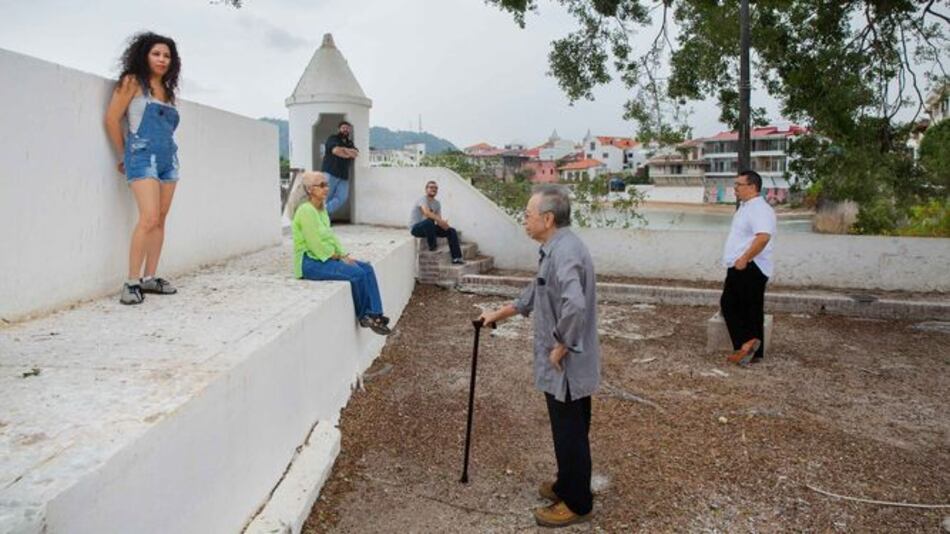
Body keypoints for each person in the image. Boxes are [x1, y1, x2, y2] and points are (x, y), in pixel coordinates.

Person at [478, 184, 600, 528]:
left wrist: (561, 344)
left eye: (528, 216)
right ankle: (567, 484)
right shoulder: (555, 248)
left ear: (548, 219)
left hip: (567, 364)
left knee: (570, 431)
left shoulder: (565, 252)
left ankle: (577, 503)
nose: (525, 221)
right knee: (571, 427)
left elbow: (574, 305)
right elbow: (535, 291)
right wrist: (498, 314)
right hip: (566, 362)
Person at [104, 32, 182, 305]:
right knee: (147, 218)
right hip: (141, 155)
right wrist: (123, 153)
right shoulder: (132, 82)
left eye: (167, 55)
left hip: (168, 160)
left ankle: (150, 278)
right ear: (144, 55)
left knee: (160, 219)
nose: (162, 59)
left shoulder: (168, 92)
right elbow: (112, 119)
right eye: (156, 54)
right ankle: (130, 281)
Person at [286, 171, 391, 336]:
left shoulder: (321, 209)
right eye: (321, 185)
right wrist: (337, 258)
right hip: (310, 263)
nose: (326, 188)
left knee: (367, 268)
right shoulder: (305, 211)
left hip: (326, 258)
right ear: (309, 189)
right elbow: (315, 243)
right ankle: (365, 316)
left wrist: (344, 254)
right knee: (356, 273)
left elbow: (330, 237)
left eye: (326, 184)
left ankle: (376, 314)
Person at [720, 169, 777, 365]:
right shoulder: (747, 207)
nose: (735, 188)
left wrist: (744, 258)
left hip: (750, 265)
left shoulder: (759, 209)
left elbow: (763, 237)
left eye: (739, 184)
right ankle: (752, 351)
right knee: (747, 307)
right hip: (742, 264)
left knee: (730, 305)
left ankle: (746, 345)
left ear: (752, 187)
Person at [408, 180, 464, 264]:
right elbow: (426, 212)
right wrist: (439, 220)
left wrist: (444, 224)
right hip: (416, 228)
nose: (433, 189)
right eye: (431, 187)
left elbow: (438, 220)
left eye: (435, 188)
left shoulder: (437, 203)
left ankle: (456, 258)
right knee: (429, 221)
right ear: (426, 189)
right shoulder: (422, 199)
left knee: (451, 231)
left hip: (429, 229)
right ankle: (433, 247)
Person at [321, 121, 358, 215]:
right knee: (326, 196)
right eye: (343, 127)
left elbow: (355, 154)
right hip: (330, 173)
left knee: (342, 197)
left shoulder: (350, 143)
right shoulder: (333, 138)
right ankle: (323, 220)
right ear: (339, 129)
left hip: (343, 175)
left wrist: (345, 150)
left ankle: (323, 211)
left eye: (347, 128)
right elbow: (336, 151)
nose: (345, 129)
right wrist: (347, 153)